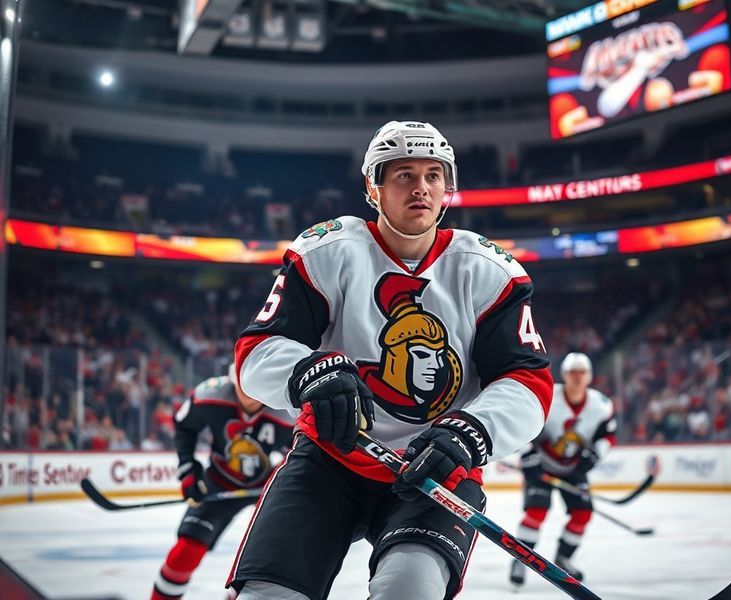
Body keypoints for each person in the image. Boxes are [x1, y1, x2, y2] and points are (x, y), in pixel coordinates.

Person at [228, 120, 554, 600]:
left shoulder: (487, 270)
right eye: (403, 174)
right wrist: (308, 374)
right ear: (372, 188)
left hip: (437, 474)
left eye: (432, 175)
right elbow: (255, 354)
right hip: (330, 460)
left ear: (448, 187)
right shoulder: (328, 250)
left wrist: (471, 433)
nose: (420, 187)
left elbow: (528, 381)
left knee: (408, 592)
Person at [151, 366, 293, 600]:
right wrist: (188, 469)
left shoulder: (287, 409)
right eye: (242, 386)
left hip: (265, 490)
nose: (248, 394)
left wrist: (283, 476)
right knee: (185, 552)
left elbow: (301, 450)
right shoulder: (211, 395)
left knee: (264, 566)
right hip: (218, 480)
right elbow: (184, 426)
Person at [509, 352, 616, 587]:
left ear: (589, 376)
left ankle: (563, 558)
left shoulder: (601, 406)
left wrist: (594, 455)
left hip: (574, 469)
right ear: (565, 375)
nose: (577, 378)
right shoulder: (547, 396)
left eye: (582, 373)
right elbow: (524, 425)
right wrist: (528, 456)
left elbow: (607, 435)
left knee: (583, 514)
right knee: (536, 512)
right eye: (572, 372)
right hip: (541, 467)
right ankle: (520, 559)